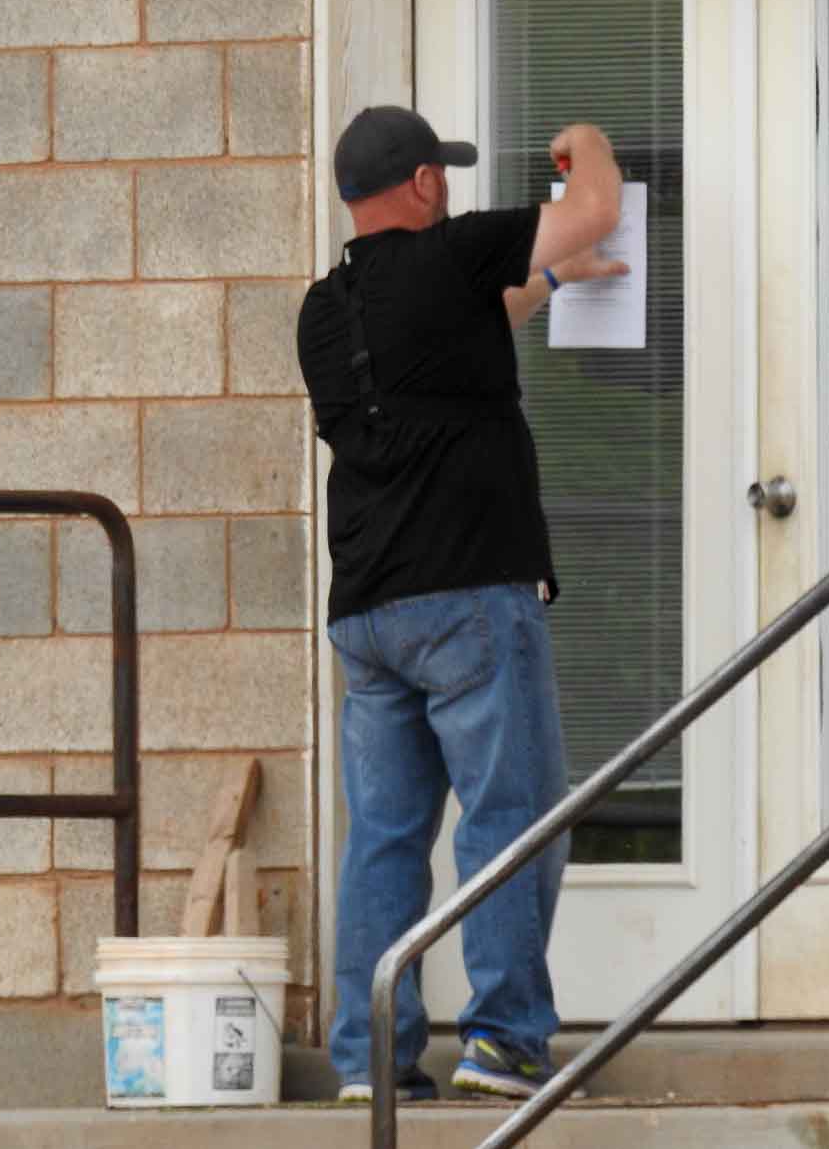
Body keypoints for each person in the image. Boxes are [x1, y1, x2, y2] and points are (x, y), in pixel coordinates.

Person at [296, 104, 625, 1102]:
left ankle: (370, 1059)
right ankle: (507, 1039)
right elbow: (597, 206)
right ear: (427, 183)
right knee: (510, 816)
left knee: (386, 837)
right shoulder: (453, 252)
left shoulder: (325, 307)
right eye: (443, 172)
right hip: (468, 598)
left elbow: (465, 329)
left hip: (368, 615)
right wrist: (584, 141)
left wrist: (556, 281)